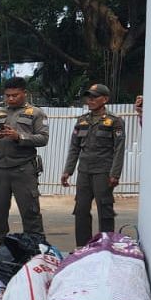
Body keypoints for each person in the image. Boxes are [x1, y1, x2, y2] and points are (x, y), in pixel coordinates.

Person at [0, 76, 49, 247]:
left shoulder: (36, 113)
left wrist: (19, 137)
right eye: (8, 95)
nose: (11, 99)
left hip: (23, 169)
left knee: (30, 211)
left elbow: (43, 138)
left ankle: (35, 249)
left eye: (15, 95)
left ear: (24, 93)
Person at [60, 83, 127, 248]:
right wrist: (68, 171)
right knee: (81, 210)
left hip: (103, 172)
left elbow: (119, 149)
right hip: (84, 172)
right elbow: (74, 147)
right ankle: (82, 247)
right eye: (88, 97)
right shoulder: (82, 121)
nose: (90, 100)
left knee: (105, 210)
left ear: (105, 99)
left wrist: (115, 174)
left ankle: (106, 246)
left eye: (94, 97)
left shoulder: (114, 121)